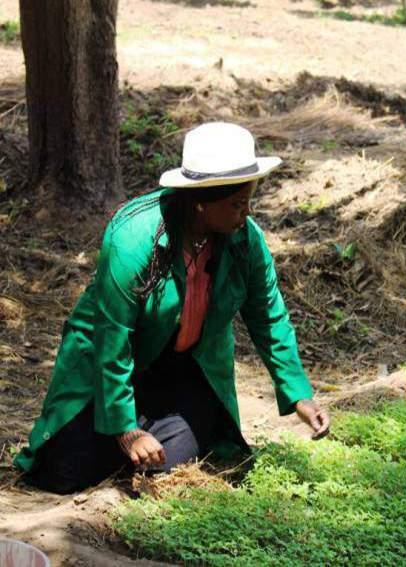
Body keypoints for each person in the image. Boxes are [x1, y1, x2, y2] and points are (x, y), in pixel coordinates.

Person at [14, 122, 330, 494]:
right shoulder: (133, 241)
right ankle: (123, 433)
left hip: (182, 369)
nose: (246, 214)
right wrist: (126, 430)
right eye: (236, 204)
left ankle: (150, 435)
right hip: (109, 364)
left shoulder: (245, 241)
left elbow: (269, 317)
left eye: (249, 201)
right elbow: (113, 340)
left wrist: (299, 396)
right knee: (64, 473)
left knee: (171, 459)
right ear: (200, 201)